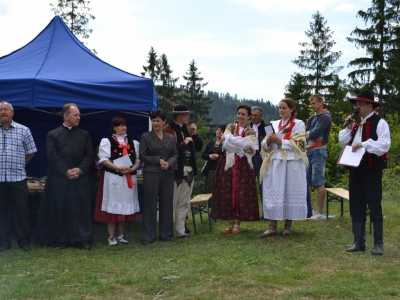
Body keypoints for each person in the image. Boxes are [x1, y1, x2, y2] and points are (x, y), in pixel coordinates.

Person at [35, 103, 93, 250]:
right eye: (76, 115)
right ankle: (62, 239)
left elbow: (89, 155)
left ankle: (82, 239)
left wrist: (79, 170)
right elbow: (52, 156)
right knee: (60, 207)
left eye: (79, 115)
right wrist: (66, 171)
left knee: (81, 208)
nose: (79, 117)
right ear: (66, 116)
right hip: (60, 179)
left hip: (80, 178)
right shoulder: (53, 134)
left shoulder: (84, 134)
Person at [339, 90, 390, 255]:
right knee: (356, 204)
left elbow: (384, 145)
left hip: (372, 170)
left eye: (360, 104)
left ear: (370, 105)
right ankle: (358, 242)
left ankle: (378, 244)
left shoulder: (380, 122)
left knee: (374, 204)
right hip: (356, 169)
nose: (357, 107)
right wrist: (348, 128)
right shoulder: (355, 124)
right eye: (356, 104)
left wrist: (365, 144)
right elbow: (343, 141)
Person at [259, 98, 308, 238]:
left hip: (292, 163)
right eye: (279, 107)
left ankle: (288, 226)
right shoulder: (273, 124)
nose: (281, 110)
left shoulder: (298, 124)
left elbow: (301, 144)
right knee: (275, 191)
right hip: (276, 162)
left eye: (284, 108)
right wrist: (268, 141)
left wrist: (282, 142)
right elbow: (264, 145)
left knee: (289, 190)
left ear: (291, 109)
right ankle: (272, 226)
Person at [212, 104, 259, 234]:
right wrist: (240, 144)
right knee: (227, 191)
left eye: (243, 114)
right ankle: (230, 223)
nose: (240, 116)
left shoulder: (250, 131)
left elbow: (249, 147)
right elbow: (226, 144)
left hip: (243, 165)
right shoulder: (230, 127)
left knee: (240, 192)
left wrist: (233, 140)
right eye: (239, 113)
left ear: (249, 116)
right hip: (228, 163)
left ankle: (237, 223)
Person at [93, 117, 141, 246]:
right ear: (114, 127)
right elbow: (103, 159)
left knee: (124, 207)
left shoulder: (134, 143)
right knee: (113, 208)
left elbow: (138, 160)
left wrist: (131, 170)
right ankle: (111, 236)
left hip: (128, 179)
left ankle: (121, 235)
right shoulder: (107, 141)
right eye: (120, 125)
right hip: (113, 178)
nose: (123, 127)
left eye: (124, 125)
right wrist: (117, 168)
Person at [0, 101, 37, 252]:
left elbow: (31, 151)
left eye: (6, 110)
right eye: (1, 110)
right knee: (1, 212)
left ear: (12, 113)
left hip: (18, 178)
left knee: (21, 211)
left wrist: (20, 165)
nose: (3, 112)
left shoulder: (24, 130)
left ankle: (23, 241)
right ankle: (3, 242)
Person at [139, 110, 178, 245]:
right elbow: (143, 156)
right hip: (151, 173)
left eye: (157, 121)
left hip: (167, 174)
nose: (155, 123)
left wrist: (169, 163)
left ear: (163, 122)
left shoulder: (170, 138)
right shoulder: (146, 137)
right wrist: (158, 160)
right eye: (153, 121)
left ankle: (166, 234)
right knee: (150, 204)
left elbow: (175, 154)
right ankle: (147, 236)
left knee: (167, 204)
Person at [163, 104, 203, 238]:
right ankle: (167, 231)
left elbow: (197, 147)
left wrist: (195, 134)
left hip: (189, 170)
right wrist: (184, 142)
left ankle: (181, 231)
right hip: (175, 171)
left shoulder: (187, 129)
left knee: (184, 203)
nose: (189, 117)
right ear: (179, 116)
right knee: (171, 202)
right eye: (186, 115)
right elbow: (169, 150)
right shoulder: (167, 130)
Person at [306, 94, 332, 220]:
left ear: (321, 102)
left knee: (318, 182)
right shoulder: (312, 117)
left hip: (319, 151)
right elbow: (305, 132)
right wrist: (307, 134)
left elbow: (315, 134)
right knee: (307, 182)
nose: (312, 106)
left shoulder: (325, 117)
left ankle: (320, 212)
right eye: (311, 103)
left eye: (314, 103)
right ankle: (309, 210)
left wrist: (307, 134)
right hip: (308, 151)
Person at [201, 124, 227, 193]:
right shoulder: (210, 143)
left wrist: (219, 157)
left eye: (221, 131)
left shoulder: (226, 144)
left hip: (221, 171)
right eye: (218, 130)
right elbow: (203, 154)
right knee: (210, 191)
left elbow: (228, 156)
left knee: (220, 191)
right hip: (210, 171)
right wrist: (209, 156)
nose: (219, 132)